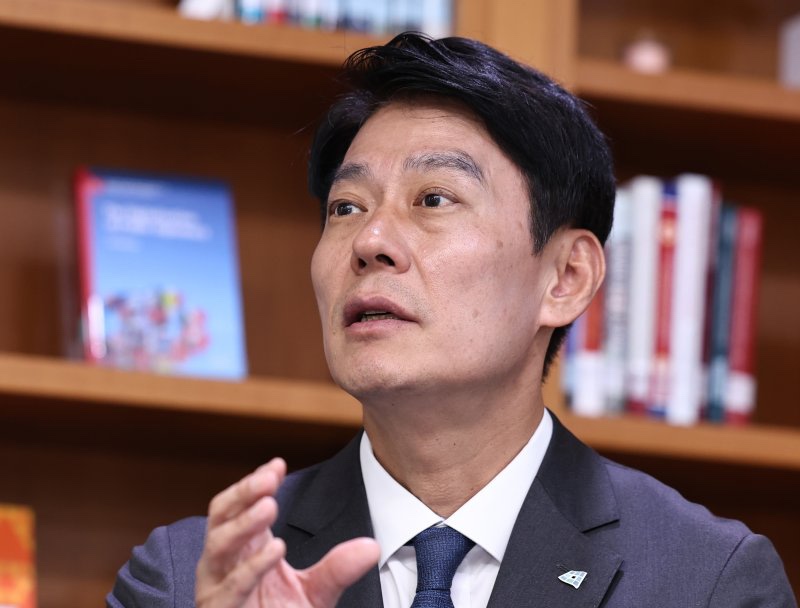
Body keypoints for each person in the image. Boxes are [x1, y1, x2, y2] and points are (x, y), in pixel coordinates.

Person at [107, 32, 797, 608]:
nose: (371, 241)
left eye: (433, 199)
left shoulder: (706, 581)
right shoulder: (188, 579)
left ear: (566, 278)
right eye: (346, 207)